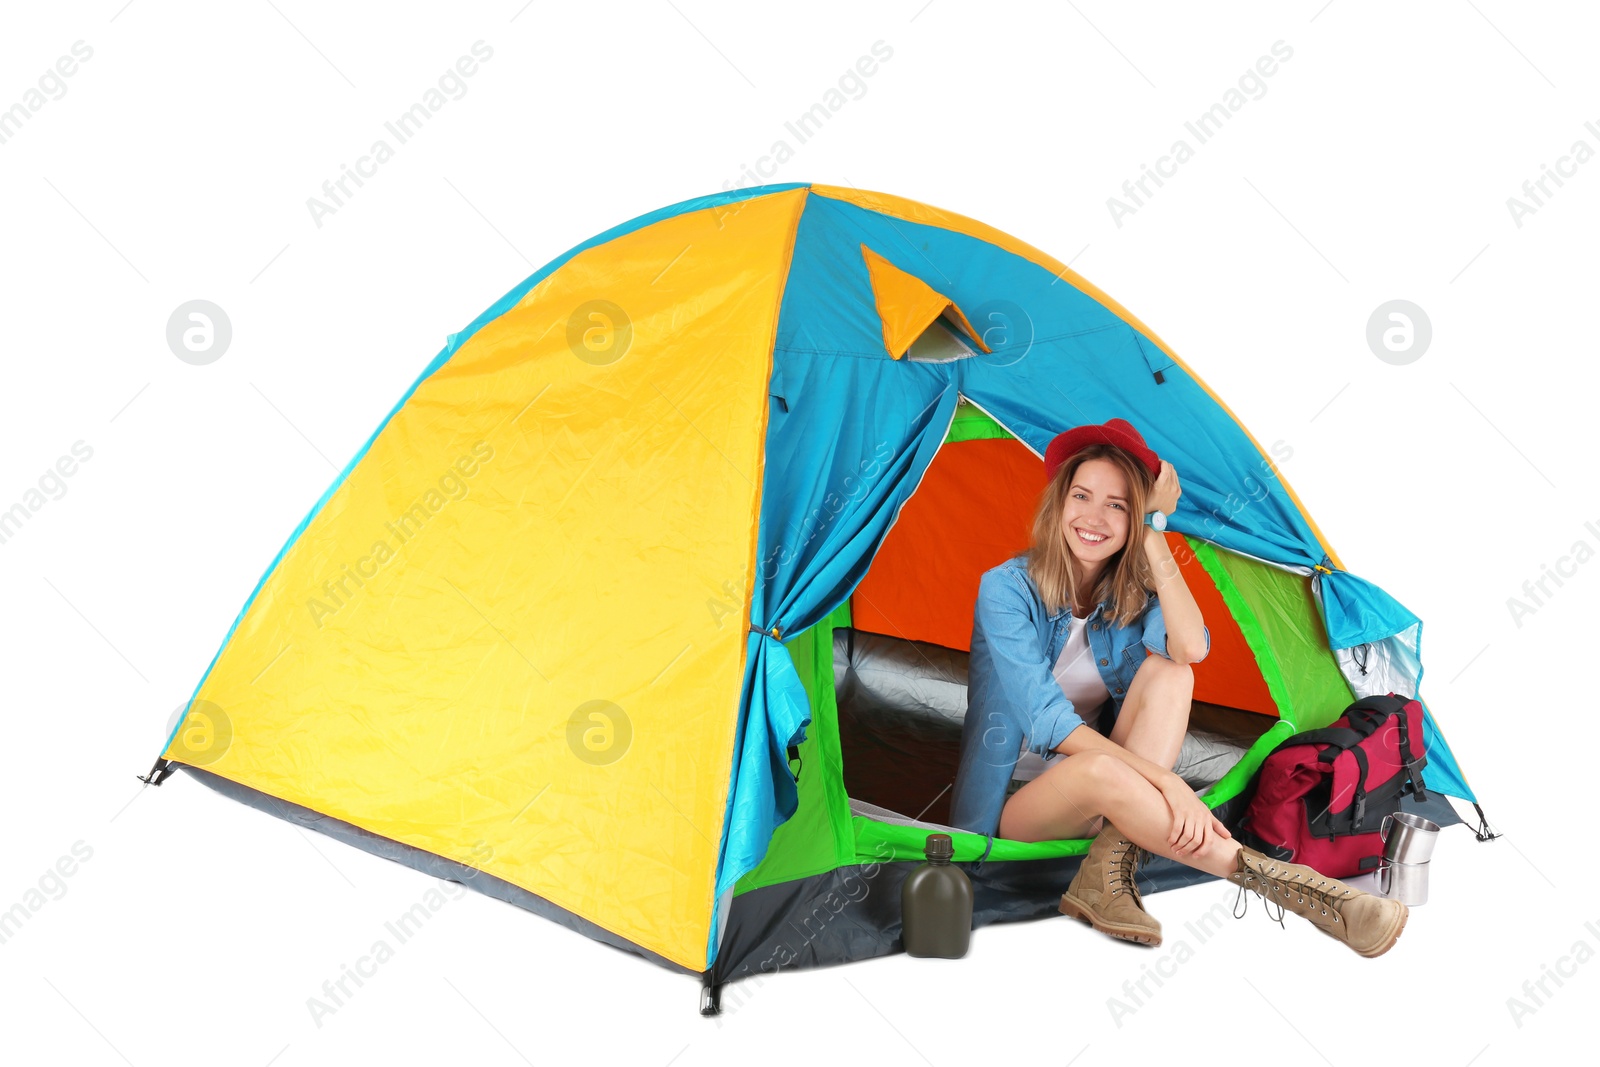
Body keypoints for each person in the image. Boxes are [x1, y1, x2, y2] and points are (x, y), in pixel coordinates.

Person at [949, 418, 1407, 957]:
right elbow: (1049, 722)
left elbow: (1191, 648)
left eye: (1117, 506)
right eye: (1082, 497)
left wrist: (1154, 532)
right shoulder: (1005, 589)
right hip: (1019, 802)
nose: (1093, 518)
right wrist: (1168, 784)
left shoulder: (1128, 594)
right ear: (1059, 503)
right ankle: (1303, 891)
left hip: (1110, 787)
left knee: (1172, 672)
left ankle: (1105, 867)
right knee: (1099, 769)